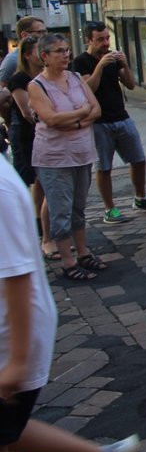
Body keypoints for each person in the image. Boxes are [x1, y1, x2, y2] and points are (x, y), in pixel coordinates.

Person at [0, 155, 140, 452]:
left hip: (11, 337)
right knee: (7, 429)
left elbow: (17, 275)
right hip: (14, 333)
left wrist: (17, 363)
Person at [27, 34, 106, 282]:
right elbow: (51, 119)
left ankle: (82, 252)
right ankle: (67, 261)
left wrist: (78, 119)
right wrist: (82, 113)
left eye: (67, 50)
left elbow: (96, 108)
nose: (65, 55)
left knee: (78, 207)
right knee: (60, 209)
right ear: (45, 57)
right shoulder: (36, 86)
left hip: (82, 152)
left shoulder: (73, 77)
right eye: (59, 51)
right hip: (54, 157)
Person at [71, 21, 146, 225]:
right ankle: (109, 209)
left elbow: (130, 84)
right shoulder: (80, 62)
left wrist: (123, 65)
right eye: (100, 39)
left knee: (138, 159)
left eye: (107, 38)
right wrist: (101, 66)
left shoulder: (113, 58)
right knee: (104, 167)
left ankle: (140, 198)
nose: (105, 43)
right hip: (98, 122)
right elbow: (88, 89)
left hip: (121, 116)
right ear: (88, 40)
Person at [7, 38, 51, 259]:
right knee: (40, 180)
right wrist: (54, 119)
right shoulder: (20, 79)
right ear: (27, 55)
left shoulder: (47, 76)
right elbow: (27, 113)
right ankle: (40, 225)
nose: (42, 54)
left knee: (41, 182)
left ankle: (39, 222)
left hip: (47, 133)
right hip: (29, 135)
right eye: (37, 50)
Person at [0, 18, 46, 88]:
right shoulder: (12, 60)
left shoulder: (48, 55)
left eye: (45, 32)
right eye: (40, 32)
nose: (44, 35)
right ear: (24, 35)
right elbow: (2, 87)